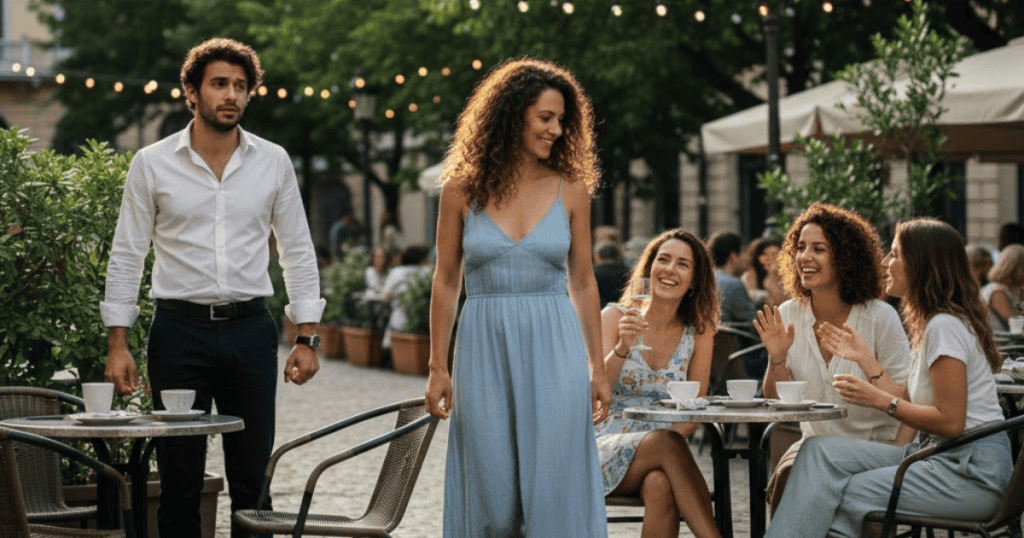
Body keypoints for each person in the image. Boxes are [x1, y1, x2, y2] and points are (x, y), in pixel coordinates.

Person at [100, 38, 325, 538]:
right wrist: (118, 342)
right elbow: (128, 252)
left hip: (251, 332)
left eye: (241, 86)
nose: (231, 95)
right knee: (179, 482)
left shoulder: (273, 161)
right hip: (178, 334)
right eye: (219, 84)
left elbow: (296, 249)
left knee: (253, 482)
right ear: (191, 92)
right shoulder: (152, 163)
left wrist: (307, 337)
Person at [423, 57, 611, 537]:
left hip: (555, 344)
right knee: (491, 490)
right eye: (545, 117)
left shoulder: (572, 188)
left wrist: (597, 367)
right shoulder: (460, 189)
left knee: (554, 486)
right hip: (483, 345)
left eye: (562, 120)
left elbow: (583, 280)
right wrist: (438, 367)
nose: (556, 130)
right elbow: (446, 280)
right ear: (512, 115)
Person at [765, 217, 1012, 538]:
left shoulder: (944, 327)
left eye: (894, 254)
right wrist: (866, 361)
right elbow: (908, 398)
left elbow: (951, 422)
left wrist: (880, 400)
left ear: (920, 264)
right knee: (816, 450)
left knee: (845, 492)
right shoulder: (933, 324)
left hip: (971, 475)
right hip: (941, 457)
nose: (884, 262)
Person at [754, 202, 910, 516]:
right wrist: (777, 359)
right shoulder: (789, 313)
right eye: (800, 247)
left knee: (799, 471)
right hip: (814, 448)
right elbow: (776, 402)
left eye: (819, 249)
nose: (804, 257)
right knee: (790, 472)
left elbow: (909, 399)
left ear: (845, 258)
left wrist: (869, 368)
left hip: (876, 449)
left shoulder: (879, 317)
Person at [596, 229, 721, 538]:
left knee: (660, 483)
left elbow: (695, 403)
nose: (670, 269)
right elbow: (594, 393)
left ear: (695, 280)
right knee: (666, 442)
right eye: (663, 260)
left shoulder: (699, 331)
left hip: (665, 449)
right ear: (649, 267)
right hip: (603, 444)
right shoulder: (614, 318)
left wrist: (666, 444)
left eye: (682, 264)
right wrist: (622, 347)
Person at [707, 231, 758, 325]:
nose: (747, 258)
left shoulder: (707, 278)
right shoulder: (733, 284)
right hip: (728, 334)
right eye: (743, 252)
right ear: (733, 256)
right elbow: (754, 322)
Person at [981, 244, 1024, 332]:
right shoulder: (996, 290)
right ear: (1013, 267)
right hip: (1000, 339)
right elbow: (1012, 320)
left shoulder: (1013, 290)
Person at [742, 236, 786, 309]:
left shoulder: (785, 272)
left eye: (774, 254)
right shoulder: (751, 273)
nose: (770, 258)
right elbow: (750, 293)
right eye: (765, 254)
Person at [593, 240, 630, 307]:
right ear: (617, 255)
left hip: (599, 309)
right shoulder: (627, 271)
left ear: (597, 256)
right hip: (622, 308)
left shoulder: (594, 273)